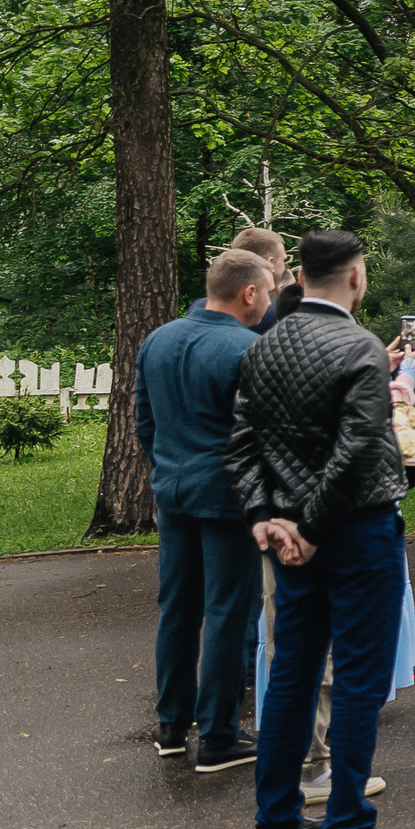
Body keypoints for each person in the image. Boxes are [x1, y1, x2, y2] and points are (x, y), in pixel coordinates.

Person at [226, 229, 415, 829]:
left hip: (285, 534)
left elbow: (243, 442)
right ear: (357, 277)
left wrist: (264, 518)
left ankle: (276, 820)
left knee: (291, 672)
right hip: (355, 531)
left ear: (300, 276)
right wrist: (311, 524)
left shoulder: (264, 345)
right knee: (361, 675)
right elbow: (359, 446)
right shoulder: (360, 348)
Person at [136, 248, 271, 773]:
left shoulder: (158, 339)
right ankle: (217, 734)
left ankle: (171, 727)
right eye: (268, 290)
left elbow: (144, 421)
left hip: (172, 491)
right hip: (227, 497)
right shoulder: (247, 347)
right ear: (250, 292)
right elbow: (260, 434)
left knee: (178, 609)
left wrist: (169, 467)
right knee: (227, 613)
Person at [232, 228, 290, 333]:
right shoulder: (273, 314)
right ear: (270, 262)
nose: (284, 266)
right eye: (283, 260)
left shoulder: (202, 306)